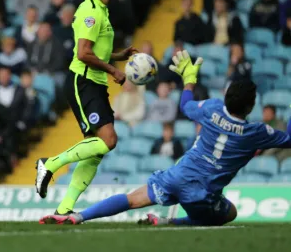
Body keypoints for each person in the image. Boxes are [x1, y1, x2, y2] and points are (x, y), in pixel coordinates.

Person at [40, 50, 291, 226]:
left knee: (132, 199)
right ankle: (170, 222)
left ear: (226, 97)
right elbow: (288, 138)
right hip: (201, 195)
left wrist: (189, 80)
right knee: (229, 213)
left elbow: (185, 105)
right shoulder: (256, 133)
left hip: (176, 176)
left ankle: (78, 216)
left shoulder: (212, 108)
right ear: (250, 107)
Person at [35, 0, 137, 216]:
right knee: (108, 140)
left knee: (96, 150)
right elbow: (83, 54)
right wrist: (113, 70)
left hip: (95, 84)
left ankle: (64, 208)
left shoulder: (102, 11)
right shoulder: (91, 11)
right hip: (84, 82)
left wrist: (118, 56)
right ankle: (49, 164)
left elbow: (95, 50)